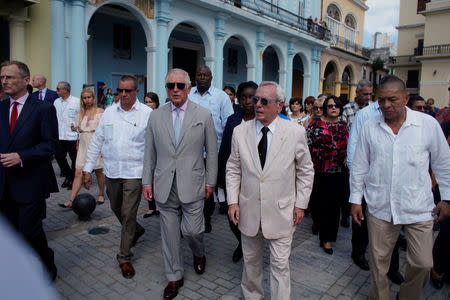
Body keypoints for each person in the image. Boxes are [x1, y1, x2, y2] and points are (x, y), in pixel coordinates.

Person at [350, 75, 450, 300]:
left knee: (423, 263)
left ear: (406, 98)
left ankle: (407, 296)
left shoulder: (427, 125)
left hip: (419, 207)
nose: (386, 105)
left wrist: (447, 198)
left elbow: (444, 163)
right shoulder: (369, 127)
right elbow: (359, 166)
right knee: (379, 265)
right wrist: (355, 199)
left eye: (392, 100)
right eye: (381, 100)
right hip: (379, 206)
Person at [226, 81, 314, 300]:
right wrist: (232, 202)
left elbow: (306, 171)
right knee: (250, 262)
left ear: (280, 105)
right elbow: (233, 169)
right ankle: (252, 296)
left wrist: (301, 204)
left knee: (280, 265)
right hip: (248, 209)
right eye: (256, 99)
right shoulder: (240, 131)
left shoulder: (295, 132)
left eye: (265, 101)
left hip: (282, 211)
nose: (257, 105)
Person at [142, 69, 218, 300]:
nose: (175, 89)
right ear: (166, 88)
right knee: (170, 234)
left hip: (194, 183)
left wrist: (211, 182)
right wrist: (147, 181)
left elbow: (212, 152)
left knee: (193, 230)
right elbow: (150, 152)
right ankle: (174, 276)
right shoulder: (155, 116)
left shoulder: (203, 115)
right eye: (170, 85)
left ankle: (199, 253)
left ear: (188, 87)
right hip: (164, 184)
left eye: (179, 85)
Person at [83, 75, 152, 279]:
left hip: (134, 173)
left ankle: (124, 257)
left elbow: (153, 147)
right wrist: (87, 169)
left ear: (136, 92)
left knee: (128, 213)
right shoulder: (109, 113)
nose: (123, 95)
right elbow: (97, 141)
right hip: (112, 171)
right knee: (116, 208)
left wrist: (152, 176)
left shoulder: (147, 114)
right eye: (119, 91)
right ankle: (137, 231)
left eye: (128, 91)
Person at [0, 60, 59, 281]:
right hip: (4, 185)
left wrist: (22, 157)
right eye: (2, 77)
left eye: (9, 77)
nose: (4, 81)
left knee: (29, 231)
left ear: (26, 80)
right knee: (11, 235)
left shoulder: (42, 109)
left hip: (30, 183)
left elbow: (51, 145)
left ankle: (47, 266)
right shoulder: (1, 108)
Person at [347, 92, 405, 284]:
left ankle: (393, 268)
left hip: (394, 183)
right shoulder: (365, 115)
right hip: (367, 177)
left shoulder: (406, 118)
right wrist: (355, 175)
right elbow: (354, 142)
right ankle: (358, 253)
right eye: (382, 98)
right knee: (362, 221)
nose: (387, 104)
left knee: (393, 226)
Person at [189, 65, 234, 233]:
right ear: (195, 77)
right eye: (199, 75)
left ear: (211, 78)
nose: (202, 77)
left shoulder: (221, 97)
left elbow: (228, 124)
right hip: (190, 152)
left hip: (212, 151)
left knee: (207, 187)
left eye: (205, 75)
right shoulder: (188, 94)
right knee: (191, 186)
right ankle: (191, 217)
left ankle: (206, 218)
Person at [218, 81, 258, 263]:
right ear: (238, 99)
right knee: (232, 215)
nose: (248, 101)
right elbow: (225, 150)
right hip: (234, 176)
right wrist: (220, 177)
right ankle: (242, 243)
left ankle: (251, 246)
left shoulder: (264, 119)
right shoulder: (233, 120)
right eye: (244, 97)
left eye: (252, 97)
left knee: (251, 214)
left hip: (256, 178)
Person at [307, 96, 348, 254]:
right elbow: (306, 144)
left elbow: (349, 146)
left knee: (333, 207)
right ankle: (317, 223)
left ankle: (327, 239)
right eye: (330, 106)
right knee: (319, 204)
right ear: (325, 108)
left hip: (338, 172)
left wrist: (346, 158)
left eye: (336, 106)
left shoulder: (344, 125)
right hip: (319, 171)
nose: (333, 108)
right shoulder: (315, 124)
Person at [58, 88, 105, 208]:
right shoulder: (80, 114)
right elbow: (78, 128)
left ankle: (101, 194)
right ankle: (71, 200)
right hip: (84, 145)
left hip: (96, 144)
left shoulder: (101, 112)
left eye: (89, 97)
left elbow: (106, 130)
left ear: (93, 98)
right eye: (84, 98)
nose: (87, 100)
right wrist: (75, 128)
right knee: (78, 172)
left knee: (99, 171)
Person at [54, 81, 80, 190]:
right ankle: (69, 175)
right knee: (59, 157)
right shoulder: (56, 102)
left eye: (58, 89)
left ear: (65, 90)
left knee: (74, 159)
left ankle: (72, 180)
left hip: (72, 136)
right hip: (60, 135)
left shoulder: (76, 101)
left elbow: (80, 117)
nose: (56, 91)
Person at [142, 92, 160, 218]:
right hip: (145, 151)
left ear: (156, 103)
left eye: (150, 102)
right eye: (146, 102)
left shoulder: (159, 115)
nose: (148, 104)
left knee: (157, 180)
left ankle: (158, 205)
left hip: (158, 151)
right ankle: (151, 207)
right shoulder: (142, 115)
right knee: (148, 179)